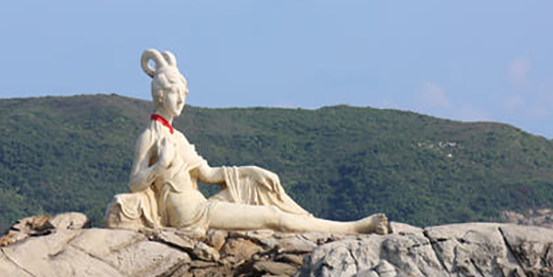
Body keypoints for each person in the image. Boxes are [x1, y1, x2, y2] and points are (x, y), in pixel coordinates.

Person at [105, 49, 389, 235]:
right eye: (174, 92)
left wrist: (251, 170)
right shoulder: (150, 136)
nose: (180, 99)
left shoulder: (178, 137)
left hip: (201, 203)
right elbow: (134, 183)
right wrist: (160, 167)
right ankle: (352, 228)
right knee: (270, 216)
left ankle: (308, 219)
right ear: (159, 95)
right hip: (191, 215)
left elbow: (208, 175)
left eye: (183, 93)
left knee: (257, 184)